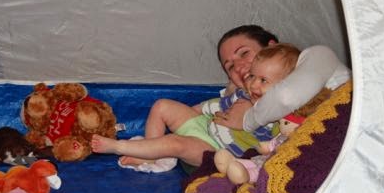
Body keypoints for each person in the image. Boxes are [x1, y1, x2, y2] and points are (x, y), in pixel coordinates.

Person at [90, 43, 302, 167]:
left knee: (176, 143)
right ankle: (151, 150)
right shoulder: (244, 94)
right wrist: (192, 112)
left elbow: (277, 144)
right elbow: (217, 104)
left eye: (263, 80)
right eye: (253, 76)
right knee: (162, 105)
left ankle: (118, 146)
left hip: (217, 150)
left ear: (285, 86)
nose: (254, 84)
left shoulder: (276, 117)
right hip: (206, 126)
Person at [214, 25, 350, 133]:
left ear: (271, 47)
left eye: (244, 53)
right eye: (230, 67)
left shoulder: (319, 55)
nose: (238, 67)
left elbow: (286, 96)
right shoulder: (244, 106)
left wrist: (246, 119)